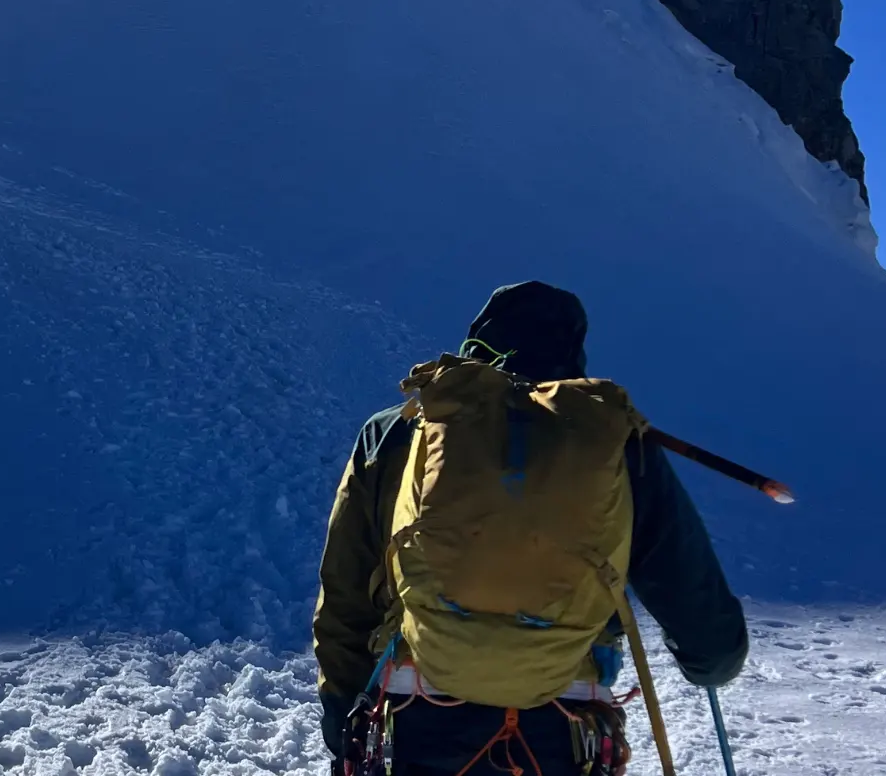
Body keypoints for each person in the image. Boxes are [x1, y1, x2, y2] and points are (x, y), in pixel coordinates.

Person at [314, 281, 748, 775]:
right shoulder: (611, 440)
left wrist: (342, 721)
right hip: (564, 732)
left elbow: (345, 595)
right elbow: (709, 634)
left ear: (475, 346)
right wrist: (705, 663)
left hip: (415, 719)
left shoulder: (399, 430)